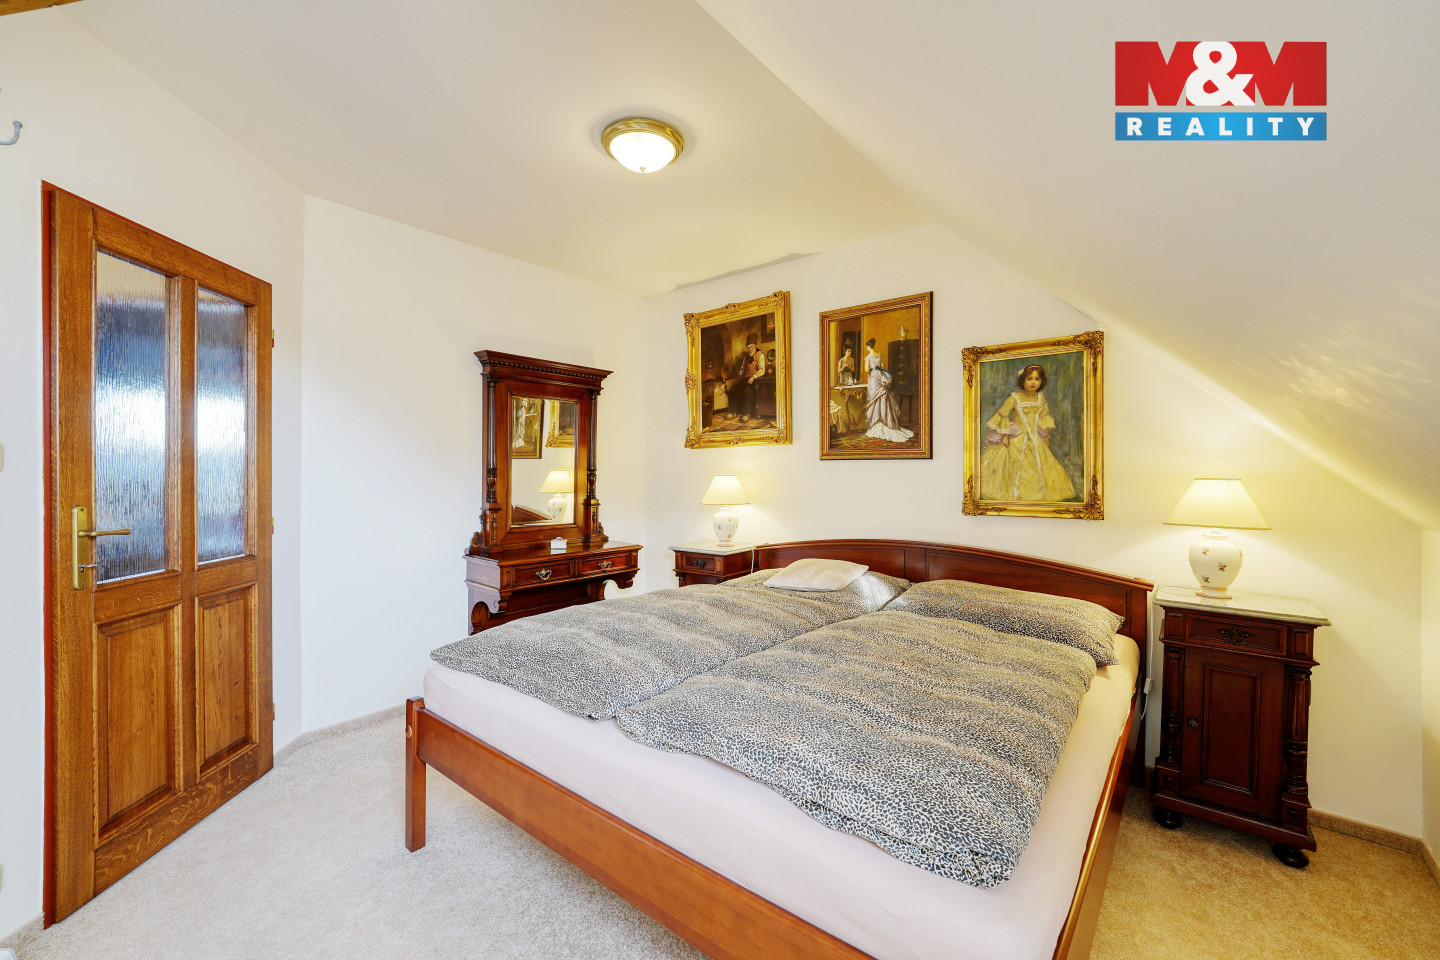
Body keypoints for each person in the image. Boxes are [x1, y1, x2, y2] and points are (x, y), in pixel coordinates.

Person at [979, 363, 1077, 501]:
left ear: (1041, 381)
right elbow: (1002, 415)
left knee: (1041, 466)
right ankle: (1018, 495)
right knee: (1016, 467)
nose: (1033, 382)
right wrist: (1004, 436)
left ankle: (1036, 495)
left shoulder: (1041, 398)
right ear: (1022, 380)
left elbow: (1044, 417)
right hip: (1017, 439)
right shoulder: (1014, 398)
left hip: (1036, 439)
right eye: (1029, 378)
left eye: (1037, 379)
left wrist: (1045, 435)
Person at [863, 338, 913, 442]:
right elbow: (882, 367)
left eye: (867, 346)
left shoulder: (868, 357)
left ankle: (877, 424)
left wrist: (868, 365)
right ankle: (885, 421)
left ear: (868, 347)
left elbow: (867, 370)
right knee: (882, 397)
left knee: (875, 399)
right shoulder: (879, 355)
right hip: (880, 376)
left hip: (873, 378)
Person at [733, 342, 766, 419]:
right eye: (748, 347)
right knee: (734, 388)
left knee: (748, 390)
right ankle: (732, 411)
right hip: (745, 378)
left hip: (755, 379)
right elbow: (742, 368)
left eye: (752, 347)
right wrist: (741, 371)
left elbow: (762, 370)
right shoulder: (746, 357)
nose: (750, 349)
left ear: (755, 346)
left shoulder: (760, 355)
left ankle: (747, 413)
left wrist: (753, 377)